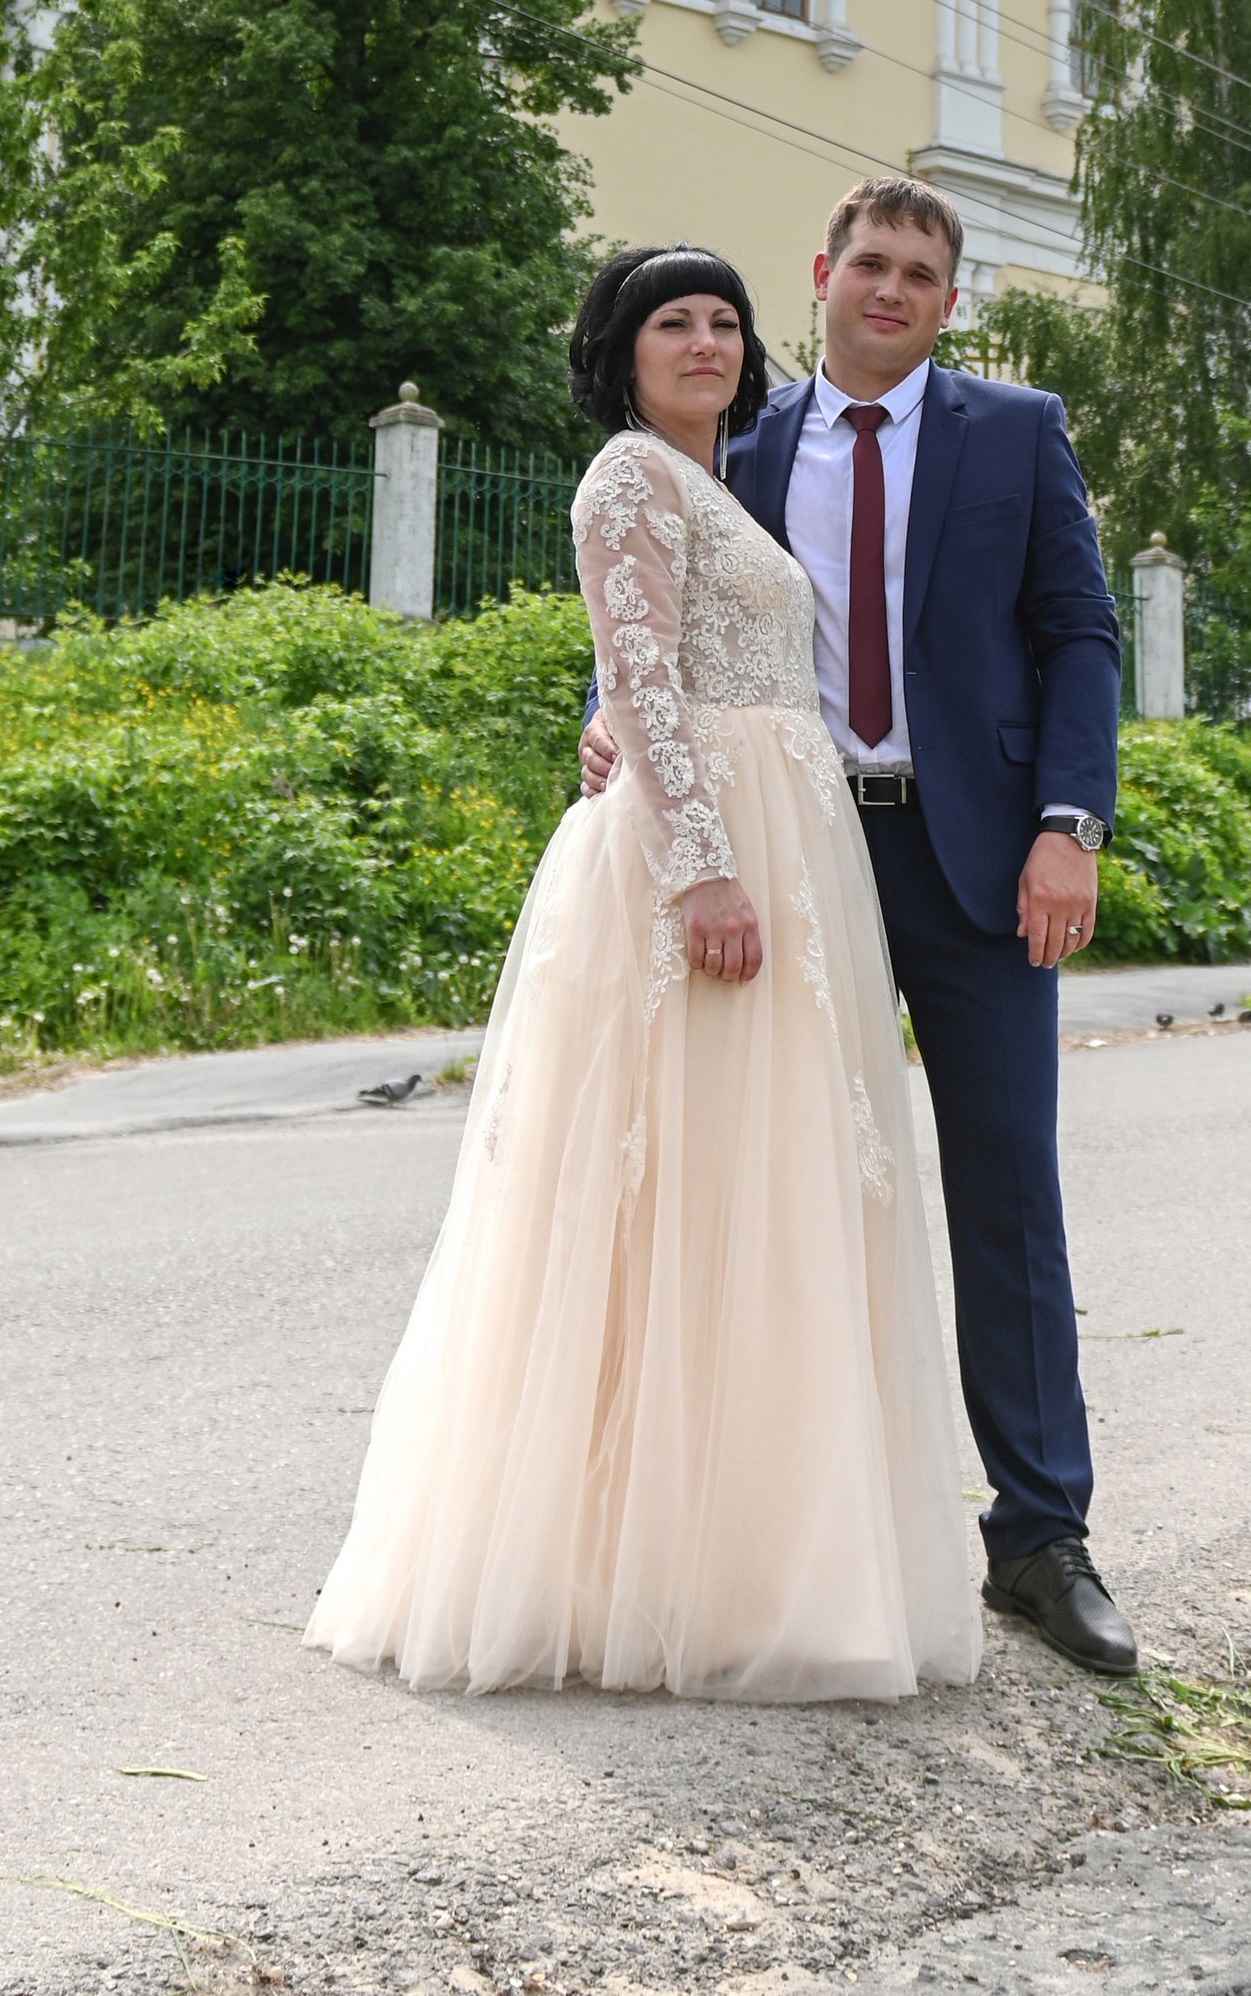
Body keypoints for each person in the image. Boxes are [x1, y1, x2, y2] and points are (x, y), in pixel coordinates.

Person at [304, 242, 982, 1701]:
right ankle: (628, 1569)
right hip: (715, 852)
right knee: (669, 1202)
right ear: (624, 349)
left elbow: (657, 661)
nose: (707, 342)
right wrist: (701, 865)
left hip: (782, 834)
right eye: (674, 322)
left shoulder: (717, 482)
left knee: (758, 1198)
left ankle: (734, 1557)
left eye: (726, 323)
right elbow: (644, 673)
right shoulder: (623, 477)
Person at [581, 176, 1137, 1674]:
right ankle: (768, 1538)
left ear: (951, 300)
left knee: (1006, 1184)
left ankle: (1039, 1538)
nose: (890, 291)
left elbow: (1079, 631)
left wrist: (1066, 825)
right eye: (869, 265)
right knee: (776, 1192)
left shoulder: (1015, 433)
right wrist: (608, 725)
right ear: (821, 273)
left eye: (922, 274)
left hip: (978, 864)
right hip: (790, 857)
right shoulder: (737, 432)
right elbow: (656, 606)